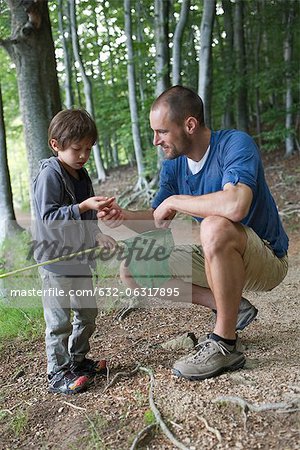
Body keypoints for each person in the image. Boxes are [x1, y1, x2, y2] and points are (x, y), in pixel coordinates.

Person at [98, 85, 289, 381]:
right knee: (133, 267)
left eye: (161, 131)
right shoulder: (174, 166)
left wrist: (175, 201)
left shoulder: (234, 144)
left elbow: (236, 205)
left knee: (213, 225)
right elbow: (157, 219)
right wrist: (122, 217)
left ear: (189, 124)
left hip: (265, 256)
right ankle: (229, 307)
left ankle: (225, 344)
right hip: (219, 252)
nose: (155, 140)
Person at [33, 109, 116, 394]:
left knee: (87, 314)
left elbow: (87, 219)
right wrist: (81, 207)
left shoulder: (82, 175)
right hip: (55, 261)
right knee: (59, 322)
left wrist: (98, 234)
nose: (83, 155)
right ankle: (57, 372)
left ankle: (78, 361)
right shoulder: (49, 176)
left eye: (88, 149)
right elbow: (49, 219)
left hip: (80, 260)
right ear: (56, 145)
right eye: (76, 149)